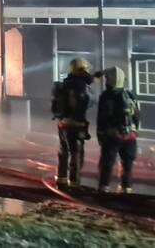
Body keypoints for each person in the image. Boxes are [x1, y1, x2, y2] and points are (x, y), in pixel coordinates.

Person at [96, 65, 141, 193]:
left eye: (106, 79)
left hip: (112, 135)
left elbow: (102, 117)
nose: (105, 81)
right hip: (130, 136)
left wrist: (100, 134)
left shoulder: (106, 96)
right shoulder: (131, 95)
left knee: (107, 163)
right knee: (127, 165)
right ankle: (126, 189)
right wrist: (133, 131)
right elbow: (137, 115)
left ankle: (103, 188)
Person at [52, 57, 95, 189]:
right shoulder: (80, 85)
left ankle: (62, 179)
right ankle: (74, 183)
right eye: (86, 69)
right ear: (82, 70)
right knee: (76, 153)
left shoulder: (66, 83)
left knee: (63, 151)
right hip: (75, 124)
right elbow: (87, 102)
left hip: (63, 123)